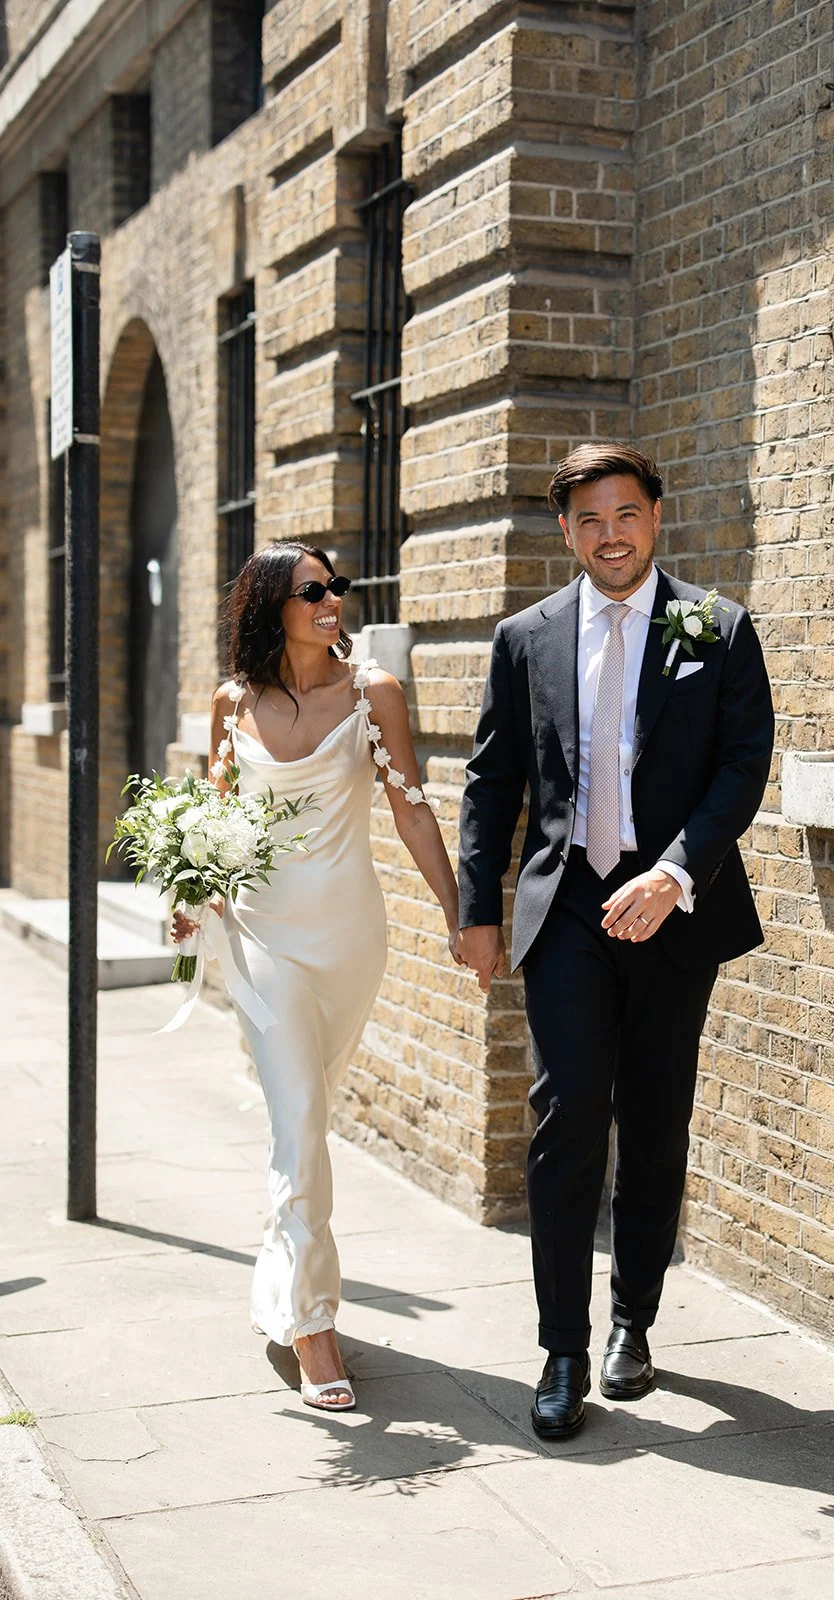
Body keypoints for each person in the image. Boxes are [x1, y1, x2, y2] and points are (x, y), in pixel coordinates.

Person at [456, 442, 774, 1437]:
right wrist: (476, 911)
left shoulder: (715, 626)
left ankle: (633, 1321)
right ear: (565, 530)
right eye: (589, 519)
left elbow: (742, 764)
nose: (610, 535)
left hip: (672, 908)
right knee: (566, 1118)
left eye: (625, 514)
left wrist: (675, 873)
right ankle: (561, 1347)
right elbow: (491, 782)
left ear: (655, 516)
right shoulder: (525, 638)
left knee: (655, 1120)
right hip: (567, 910)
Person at [174, 540, 461, 1411]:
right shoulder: (232, 703)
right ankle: (311, 1325)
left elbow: (411, 811)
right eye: (312, 591)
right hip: (262, 939)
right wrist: (190, 898)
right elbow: (214, 817)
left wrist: (458, 913)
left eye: (335, 586)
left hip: (349, 938)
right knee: (299, 1121)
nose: (332, 600)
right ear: (271, 606)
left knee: (304, 1121)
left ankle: (282, 1274)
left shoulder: (374, 693)